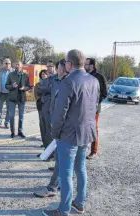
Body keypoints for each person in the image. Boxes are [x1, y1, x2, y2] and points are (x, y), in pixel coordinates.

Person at [42, 50, 99, 216]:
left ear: (69, 64)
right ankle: (79, 203)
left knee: (65, 173)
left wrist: (55, 133)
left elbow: (60, 112)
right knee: (81, 169)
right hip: (86, 133)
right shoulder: (94, 80)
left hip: (69, 135)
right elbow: (94, 107)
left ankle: (64, 210)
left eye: (65, 62)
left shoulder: (68, 82)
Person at [34, 59, 69, 198]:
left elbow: (65, 104)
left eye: (57, 67)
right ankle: (60, 183)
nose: (54, 69)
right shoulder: (56, 79)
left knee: (65, 156)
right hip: (59, 119)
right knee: (66, 158)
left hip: (64, 123)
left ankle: (54, 187)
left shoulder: (69, 82)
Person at [85, 58, 108, 159]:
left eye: (86, 64)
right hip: (83, 108)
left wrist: (94, 103)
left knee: (93, 129)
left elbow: (104, 93)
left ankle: (94, 151)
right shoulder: (84, 76)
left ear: (92, 66)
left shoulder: (100, 77)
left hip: (94, 109)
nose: (84, 66)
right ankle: (83, 149)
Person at [5, 61, 31, 138]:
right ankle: (12, 132)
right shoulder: (10, 75)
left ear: (21, 66)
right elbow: (6, 85)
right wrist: (12, 86)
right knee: (11, 116)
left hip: (21, 98)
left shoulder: (25, 75)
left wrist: (24, 88)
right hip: (12, 98)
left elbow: (29, 86)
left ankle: (20, 131)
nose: (17, 66)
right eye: (16, 65)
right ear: (14, 66)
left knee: (21, 116)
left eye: (18, 65)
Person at [37, 61, 56, 148]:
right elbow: (39, 89)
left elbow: (51, 90)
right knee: (43, 127)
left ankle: (50, 152)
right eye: (47, 66)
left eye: (50, 66)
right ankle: (46, 148)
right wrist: (43, 89)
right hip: (43, 105)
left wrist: (43, 89)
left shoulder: (56, 78)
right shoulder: (47, 79)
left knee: (49, 129)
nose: (48, 68)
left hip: (52, 107)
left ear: (54, 67)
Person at [34, 70, 49, 147]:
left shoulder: (50, 83)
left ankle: (47, 143)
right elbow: (36, 94)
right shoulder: (37, 84)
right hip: (40, 105)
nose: (43, 75)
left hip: (48, 107)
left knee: (47, 126)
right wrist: (41, 98)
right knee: (42, 125)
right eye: (42, 74)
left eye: (45, 74)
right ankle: (44, 142)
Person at [0, 58, 13, 129]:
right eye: (6, 63)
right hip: (1, 93)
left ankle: (7, 122)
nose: (7, 65)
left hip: (9, 93)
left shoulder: (13, 72)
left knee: (9, 109)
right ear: (3, 64)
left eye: (9, 63)